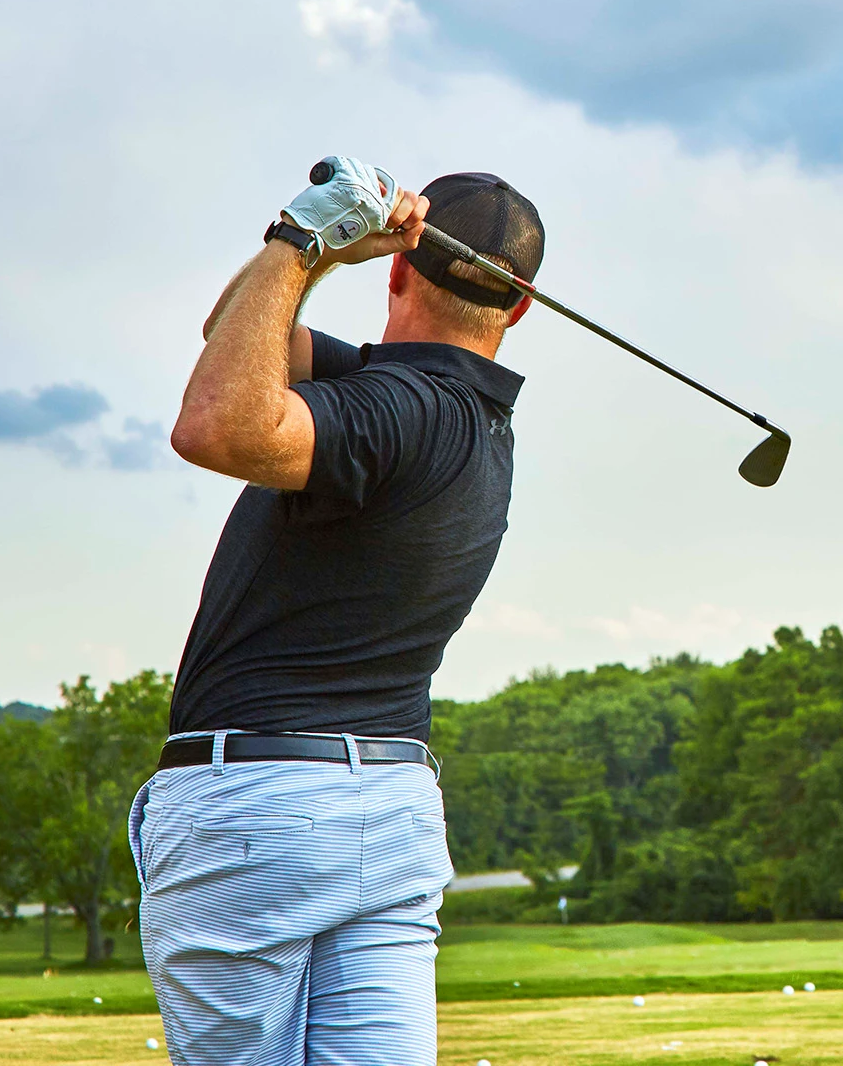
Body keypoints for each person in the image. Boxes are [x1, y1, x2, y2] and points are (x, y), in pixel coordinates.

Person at [126, 167, 546, 1066]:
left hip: (263, 811)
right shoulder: (463, 417)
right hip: (391, 811)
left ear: (398, 273)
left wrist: (304, 243)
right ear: (518, 310)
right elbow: (232, 335)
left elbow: (215, 425)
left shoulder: (391, 411)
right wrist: (301, 256)